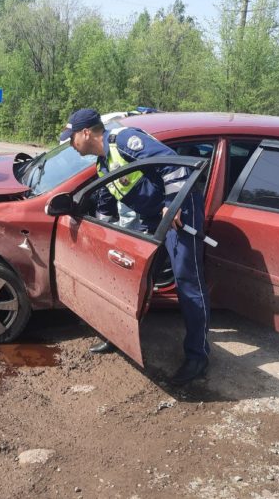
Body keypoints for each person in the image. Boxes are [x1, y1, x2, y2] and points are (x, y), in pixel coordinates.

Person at [60, 108, 211, 385]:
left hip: (179, 210)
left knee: (188, 283)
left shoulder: (125, 140)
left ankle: (197, 357)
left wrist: (173, 205)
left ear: (85, 133)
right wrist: (99, 233)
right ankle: (118, 335)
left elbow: (175, 165)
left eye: (71, 139)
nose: (71, 145)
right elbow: (106, 201)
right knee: (130, 277)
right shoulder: (103, 164)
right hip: (152, 217)